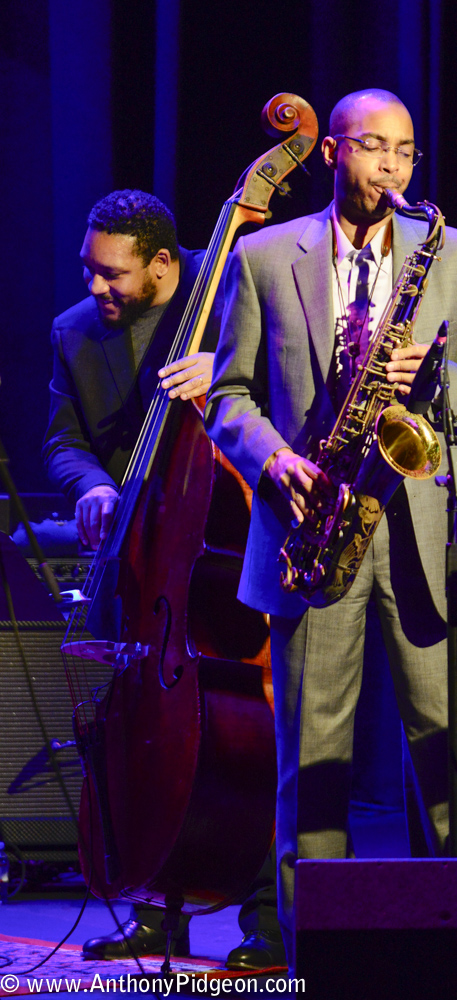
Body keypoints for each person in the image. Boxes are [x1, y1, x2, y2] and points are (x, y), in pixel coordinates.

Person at [204, 89, 457, 966]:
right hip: (313, 525)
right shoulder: (265, 256)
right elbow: (225, 396)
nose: (391, 167)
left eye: (405, 152)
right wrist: (273, 461)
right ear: (334, 152)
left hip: (429, 535)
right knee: (310, 768)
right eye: (374, 148)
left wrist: (439, 380)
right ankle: (317, 956)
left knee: (454, 764)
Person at [42, 189, 285, 971]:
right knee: (140, 738)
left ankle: (267, 920)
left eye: (112, 275)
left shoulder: (235, 291)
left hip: (232, 554)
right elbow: (63, 441)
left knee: (255, 741)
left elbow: (303, 381)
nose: (95, 289)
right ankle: (156, 909)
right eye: (89, 270)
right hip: (140, 557)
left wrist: (231, 370)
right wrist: (90, 485)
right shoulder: (74, 334)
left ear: (161, 265)